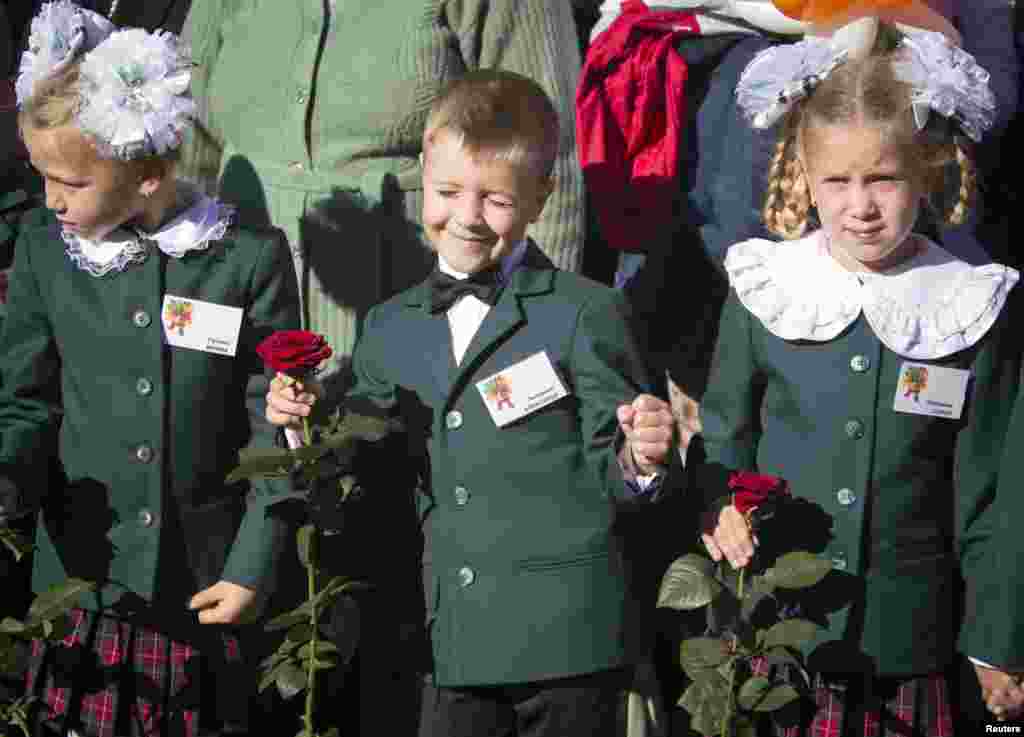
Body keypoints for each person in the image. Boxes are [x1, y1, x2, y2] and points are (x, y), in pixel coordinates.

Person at [266, 70, 681, 737]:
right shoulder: (389, 325)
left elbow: (623, 469)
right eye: (448, 191)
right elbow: (363, 465)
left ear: (541, 197)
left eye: (495, 198)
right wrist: (307, 427)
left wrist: (641, 455)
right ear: (422, 176)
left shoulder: (587, 312)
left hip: (566, 644)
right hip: (444, 638)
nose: (465, 216)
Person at [697, 17, 1024, 733]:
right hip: (782, 640)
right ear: (804, 177)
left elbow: (995, 490)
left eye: (883, 178)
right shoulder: (766, 288)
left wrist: (998, 640)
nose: (861, 205)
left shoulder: (969, 303)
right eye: (837, 181)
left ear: (926, 172)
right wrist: (718, 508)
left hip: (912, 643)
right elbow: (725, 435)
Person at [0, 3, 300, 735]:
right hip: (85, 591)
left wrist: (253, 563)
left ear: (148, 172)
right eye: (40, 177)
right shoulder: (45, 250)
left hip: (205, 592)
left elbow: (276, 424)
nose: (49, 200)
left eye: (69, 181)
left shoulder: (246, 259)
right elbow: (25, 401)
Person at [181, 0, 586, 380]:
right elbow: (188, 151)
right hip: (238, 329)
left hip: (421, 340)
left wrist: (530, 356)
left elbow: (549, 163)